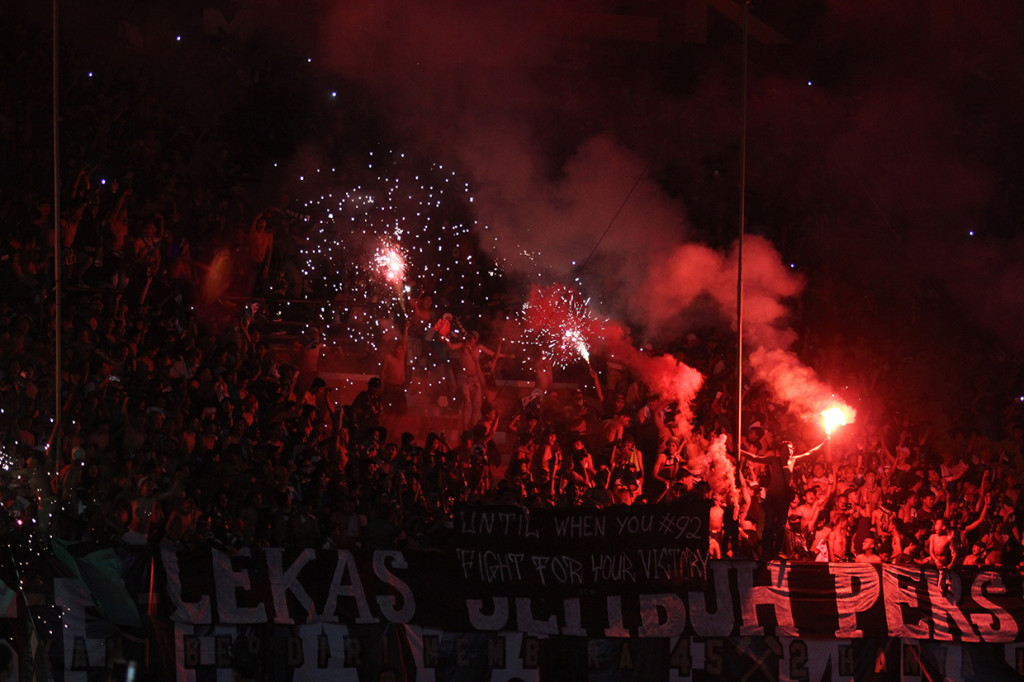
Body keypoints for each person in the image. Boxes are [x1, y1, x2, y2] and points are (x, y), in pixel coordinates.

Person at [744, 439, 825, 561]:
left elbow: (809, 453)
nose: (789, 451)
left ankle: (776, 552)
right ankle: (766, 551)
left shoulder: (793, 460)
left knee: (781, 527)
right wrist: (740, 451)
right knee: (769, 525)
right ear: (781, 450)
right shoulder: (774, 460)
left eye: (791, 449)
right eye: (786, 449)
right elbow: (755, 458)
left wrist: (823, 443)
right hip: (772, 497)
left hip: (783, 498)